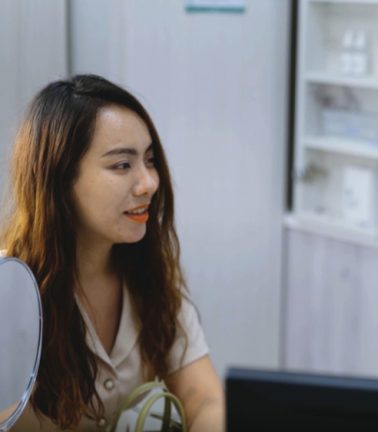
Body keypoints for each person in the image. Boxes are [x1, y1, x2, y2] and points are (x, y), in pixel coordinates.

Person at [0, 75, 224, 431]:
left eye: (150, 160)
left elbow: (205, 401)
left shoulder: (151, 273)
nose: (149, 182)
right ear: (60, 178)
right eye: (122, 165)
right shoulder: (10, 292)